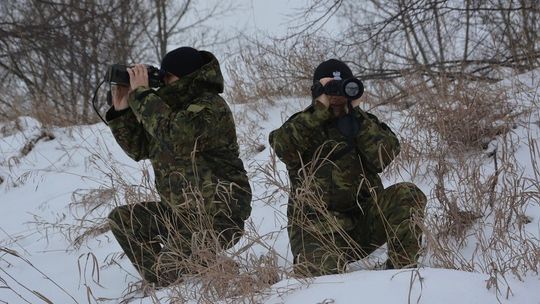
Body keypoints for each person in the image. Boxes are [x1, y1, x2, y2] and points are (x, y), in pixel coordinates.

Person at [106, 47, 252, 286]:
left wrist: (142, 94)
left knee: (169, 267)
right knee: (123, 219)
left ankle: (183, 277)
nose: (162, 83)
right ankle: (178, 279)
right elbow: (138, 149)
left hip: (217, 217)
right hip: (179, 214)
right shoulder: (166, 113)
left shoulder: (211, 107)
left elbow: (176, 134)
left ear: (187, 77)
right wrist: (122, 108)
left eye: (168, 77)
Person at [269, 59, 427, 276]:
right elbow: (283, 147)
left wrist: (357, 113)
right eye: (329, 87)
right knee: (320, 282)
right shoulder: (303, 124)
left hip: (361, 226)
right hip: (317, 232)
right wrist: (320, 108)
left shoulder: (362, 123)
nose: (336, 93)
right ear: (316, 90)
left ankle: (402, 274)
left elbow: (383, 156)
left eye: (342, 86)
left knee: (407, 193)